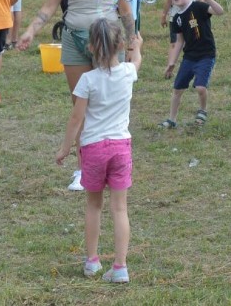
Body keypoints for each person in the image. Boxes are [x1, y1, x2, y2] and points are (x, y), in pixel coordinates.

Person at [18, 0, 134, 190]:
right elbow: (49, 6)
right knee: (80, 106)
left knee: (105, 105)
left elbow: (125, 8)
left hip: (107, 42)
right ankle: (85, 169)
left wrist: (132, 41)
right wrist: (31, 30)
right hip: (74, 39)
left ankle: (113, 161)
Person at [56, 20, 142, 283]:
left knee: (94, 206)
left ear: (90, 47)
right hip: (120, 148)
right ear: (120, 46)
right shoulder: (128, 72)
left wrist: (65, 148)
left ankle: (92, 261)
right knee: (120, 209)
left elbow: (76, 119)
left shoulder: (87, 80)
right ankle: (120, 267)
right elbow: (137, 61)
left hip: (93, 149)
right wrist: (136, 46)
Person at [161, 0, 224, 128]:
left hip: (206, 55)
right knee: (177, 89)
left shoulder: (199, 7)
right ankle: (172, 120)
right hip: (189, 57)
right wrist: (172, 63)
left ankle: (202, 110)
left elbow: (219, 11)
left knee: (201, 87)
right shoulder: (176, 19)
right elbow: (179, 42)